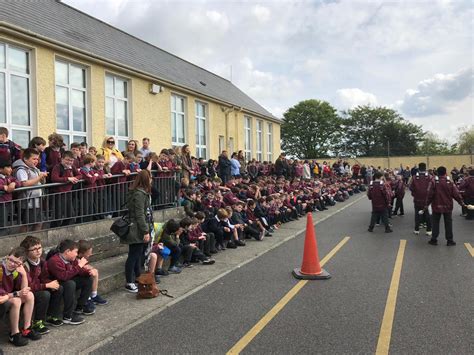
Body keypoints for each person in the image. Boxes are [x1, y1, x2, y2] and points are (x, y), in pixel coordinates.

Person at [20, 235, 63, 333]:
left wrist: (50, 283)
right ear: (27, 252)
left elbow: (44, 278)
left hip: (37, 287)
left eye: (39, 247)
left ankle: (51, 316)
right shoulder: (24, 265)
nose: (38, 251)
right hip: (25, 291)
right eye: (34, 249)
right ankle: (37, 322)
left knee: (58, 287)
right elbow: (28, 286)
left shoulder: (42, 262)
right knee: (44, 294)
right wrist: (46, 286)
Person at [0, 246, 42, 346]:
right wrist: (15, 294)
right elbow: (2, 293)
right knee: (16, 301)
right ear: (7, 257)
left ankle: (26, 329)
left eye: (16, 262)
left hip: (7, 296)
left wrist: (23, 275)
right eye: (10, 260)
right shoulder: (1, 269)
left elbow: (25, 290)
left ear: (21, 264)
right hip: (3, 298)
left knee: (30, 295)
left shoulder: (18, 271)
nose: (11, 263)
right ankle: (14, 334)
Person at [121, 170, 154, 292]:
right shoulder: (139, 194)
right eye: (150, 178)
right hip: (136, 228)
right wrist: (145, 231)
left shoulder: (139, 192)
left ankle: (137, 277)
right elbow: (140, 214)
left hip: (137, 227)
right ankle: (129, 281)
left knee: (137, 253)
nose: (151, 180)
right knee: (133, 255)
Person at [47, 239, 93, 323]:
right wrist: (80, 265)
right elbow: (63, 276)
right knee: (70, 284)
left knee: (88, 279)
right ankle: (68, 316)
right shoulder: (54, 261)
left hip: (66, 280)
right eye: (75, 252)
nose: (77, 254)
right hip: (56, 283)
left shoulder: (72, 259)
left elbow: (78, 270)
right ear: (68, 251)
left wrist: (88, 272)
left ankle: (79, 308)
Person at [425, 166, 466, 246]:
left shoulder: (433, 182)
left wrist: (426, 204)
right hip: (448, 206)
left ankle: (434, 239)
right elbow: (456, 193)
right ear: (445, 172)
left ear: (437, 172)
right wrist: (461, 202)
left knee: (435, 223)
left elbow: (429, 194)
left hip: (436, 206)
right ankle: (449, 240)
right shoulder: (449, 182)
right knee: (448, 223)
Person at [13, 148, 49, 232]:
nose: (36, 161)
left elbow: (39, 181)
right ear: (25, 158)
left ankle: (34, 240)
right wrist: (39, 177)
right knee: (27, 224)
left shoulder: (35, 168)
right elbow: (24, 183)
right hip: (28, 201)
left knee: (39, 222)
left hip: (37, 200)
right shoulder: (21, 169)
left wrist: (42, 178)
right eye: (34, 159)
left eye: (37, 159)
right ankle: (22, 241)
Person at [409, 163, 433, 236]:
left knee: (417, 214)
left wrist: (414, 194)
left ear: (418, 169)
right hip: (427, 199)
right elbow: (433, 187)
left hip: (417, 198)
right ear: (425, 168)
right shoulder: (430, 177)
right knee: (428, 214)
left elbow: (410, 187)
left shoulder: (414, 177)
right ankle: (429, 230)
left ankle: (417, 229)